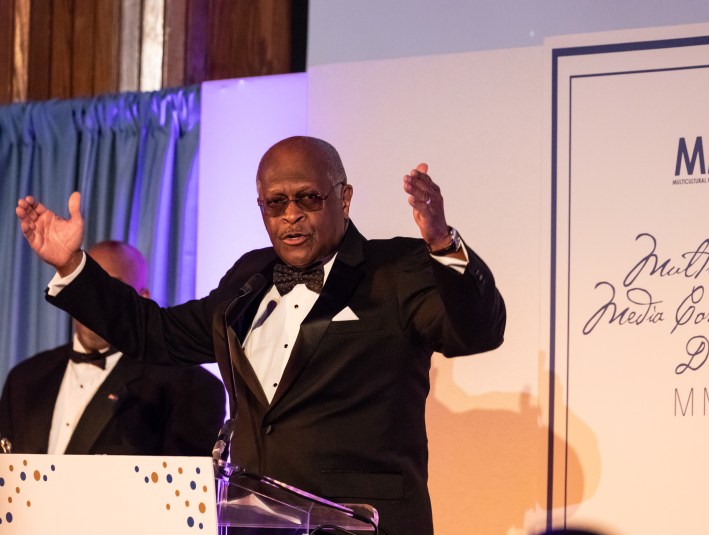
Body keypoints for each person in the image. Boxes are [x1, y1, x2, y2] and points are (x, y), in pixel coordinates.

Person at [15, 136, 506, 535]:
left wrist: (443, 243)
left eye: (307, 198)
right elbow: (154, 334)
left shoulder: (396, 268)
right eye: (275, 202)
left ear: (344, 197)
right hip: (254, 525)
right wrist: (73, 267)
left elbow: (478, 330)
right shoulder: (247, 278)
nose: (290, 214)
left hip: (362, 525)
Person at [0, 240, 226, 456]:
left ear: (142, 297)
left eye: (109, 288)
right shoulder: (24, 378)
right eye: (86, 288)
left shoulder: (191, 388)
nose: (93, 302)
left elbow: (182, 491)